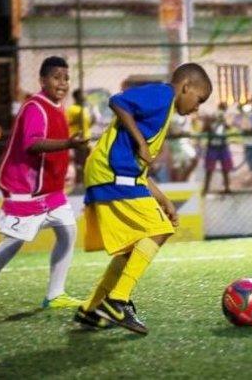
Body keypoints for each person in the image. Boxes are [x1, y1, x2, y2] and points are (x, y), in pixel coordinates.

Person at [75, 63, 212, 335]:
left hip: (117, 174)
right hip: (111, 173)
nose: (197, 108)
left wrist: (164, 200)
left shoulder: (163, 111)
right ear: (186, 87)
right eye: (199, 99)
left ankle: (91, 309)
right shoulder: (163, 95)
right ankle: (117, 301)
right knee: (160, 229)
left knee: (134, 247)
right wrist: (141, 141)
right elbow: (117, 101)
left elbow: (140, 170)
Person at [0, 56, 87, 315]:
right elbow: (32, 144)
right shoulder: (35, 107)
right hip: (24, 189)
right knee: (13, 243)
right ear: (42, 81)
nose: (62, 83)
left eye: (66, 78)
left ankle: (55, 295)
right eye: (56, 77)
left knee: (68, 232)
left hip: (50, 192)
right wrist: (68, 144)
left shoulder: (58, 106)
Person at [66, 89, 95, 188]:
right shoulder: (72, 109)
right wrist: (77, 119)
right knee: (79, 162)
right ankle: (78, 182)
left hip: (86, 139)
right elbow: (67, 123)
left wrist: (93, 119)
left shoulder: (84, 109)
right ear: (77, 97)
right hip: (77, 139)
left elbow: (88, 124)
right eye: (82, 95)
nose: (84, 97)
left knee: (87, 161)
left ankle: (85, 181)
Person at [201, 102, 233, 196]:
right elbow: (204, 129)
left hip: (223, 146)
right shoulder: (211, 118)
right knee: (209, 169)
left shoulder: (224, 119)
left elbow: (228, 128)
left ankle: (227, 187)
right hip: (213, 147)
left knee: (226, 168)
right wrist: (210, 121)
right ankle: (206, 189)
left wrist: (223, 121)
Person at [168, 113, 199, 182]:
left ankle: (183, 181)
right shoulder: (174, 117)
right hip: (177, 145)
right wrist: (184, 133)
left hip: (184, 144)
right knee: (178, 168)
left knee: (193, 161)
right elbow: (174, 132)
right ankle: (180, 183)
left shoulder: (185, 116)